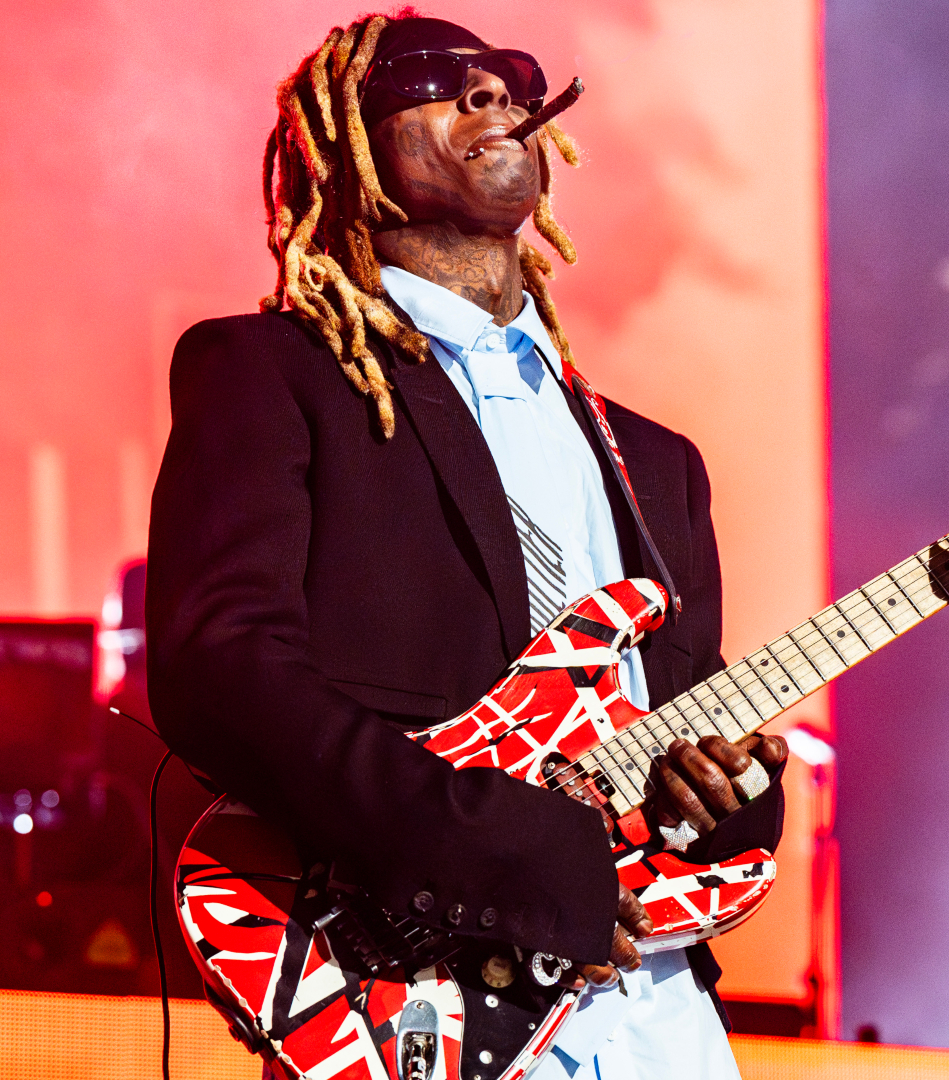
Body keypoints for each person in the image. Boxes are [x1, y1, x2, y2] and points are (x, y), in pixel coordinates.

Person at [146, 9, 787, 1079]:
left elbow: (683, 714)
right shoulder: (271, 375)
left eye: (507, 81)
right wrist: (511, 858)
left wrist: (731, 794)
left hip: (655, 1013)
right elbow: (223, 670)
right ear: (336, 149)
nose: (492, 96)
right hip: (417, 996)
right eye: (434, 83)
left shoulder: (657, 460)